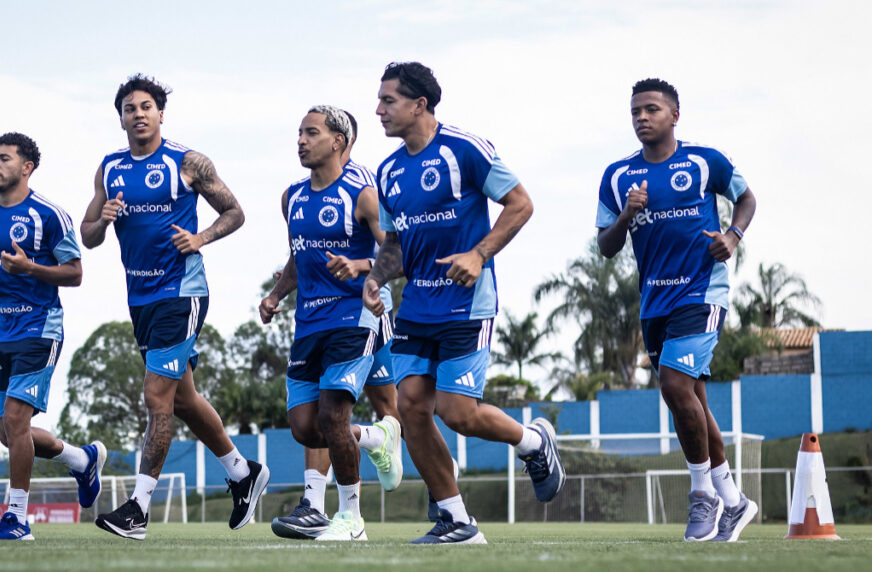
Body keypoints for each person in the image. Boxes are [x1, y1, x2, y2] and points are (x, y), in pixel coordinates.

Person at [364, 62, 565, 545]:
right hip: (416, 308)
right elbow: (394, 243)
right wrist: (374, 278)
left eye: (388, 101)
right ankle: (457, 521)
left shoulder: (465, 149)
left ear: (420, 104)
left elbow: (520, 203)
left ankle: (534, 442)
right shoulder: (389, 171)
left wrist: (479, 254)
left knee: (458, 413)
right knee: (409, 409)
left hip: (467, 305)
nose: (379, 110)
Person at [81, 74, 268, 540]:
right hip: (140, 298)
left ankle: (138, 509)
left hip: (182, 292)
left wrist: (200, 238)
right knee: (182, 397)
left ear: (161, 114)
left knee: (156, 396)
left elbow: (235, 213)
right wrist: (101, 222)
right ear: (120, 117)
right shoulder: (109, 168)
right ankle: (243, 472)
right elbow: (86, 234)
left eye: (147, 106)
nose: (139, 114)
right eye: (130, 108)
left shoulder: (188, 162)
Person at [595, 78, 759, 542]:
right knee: (691, 399)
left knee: (673, 384)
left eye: (651, 109)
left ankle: (702, 495)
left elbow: (747, 197)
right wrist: (626, 215)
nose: (642, 118)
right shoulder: (617, 176)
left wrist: (733, 236)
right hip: (654, 302)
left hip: (702, 293)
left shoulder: (705, 162)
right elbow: (606, 246)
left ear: (674, 115)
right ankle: (735, 502)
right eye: (635, 112)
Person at [259, 105, 403, 542]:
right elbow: (299, 256)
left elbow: (397, 252)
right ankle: (376, 440)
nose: (301, 140)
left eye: (311, 133)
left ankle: (350, 518)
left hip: (355, 314)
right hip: (309, 322)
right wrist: (276, 294)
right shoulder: (292, 197)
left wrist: (363, 267)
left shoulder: (362, 195)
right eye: (299, 133)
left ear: (338, 142)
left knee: (333, 413)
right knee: (307, 426)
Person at [0, 132, 106, 541]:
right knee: (9, 434)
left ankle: (18, 519)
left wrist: (31, 270)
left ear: (26, 168)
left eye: (4, 159)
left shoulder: (48, 214)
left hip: (40, 328)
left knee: (16, 420)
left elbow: (75, 273)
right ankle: (82, 459)